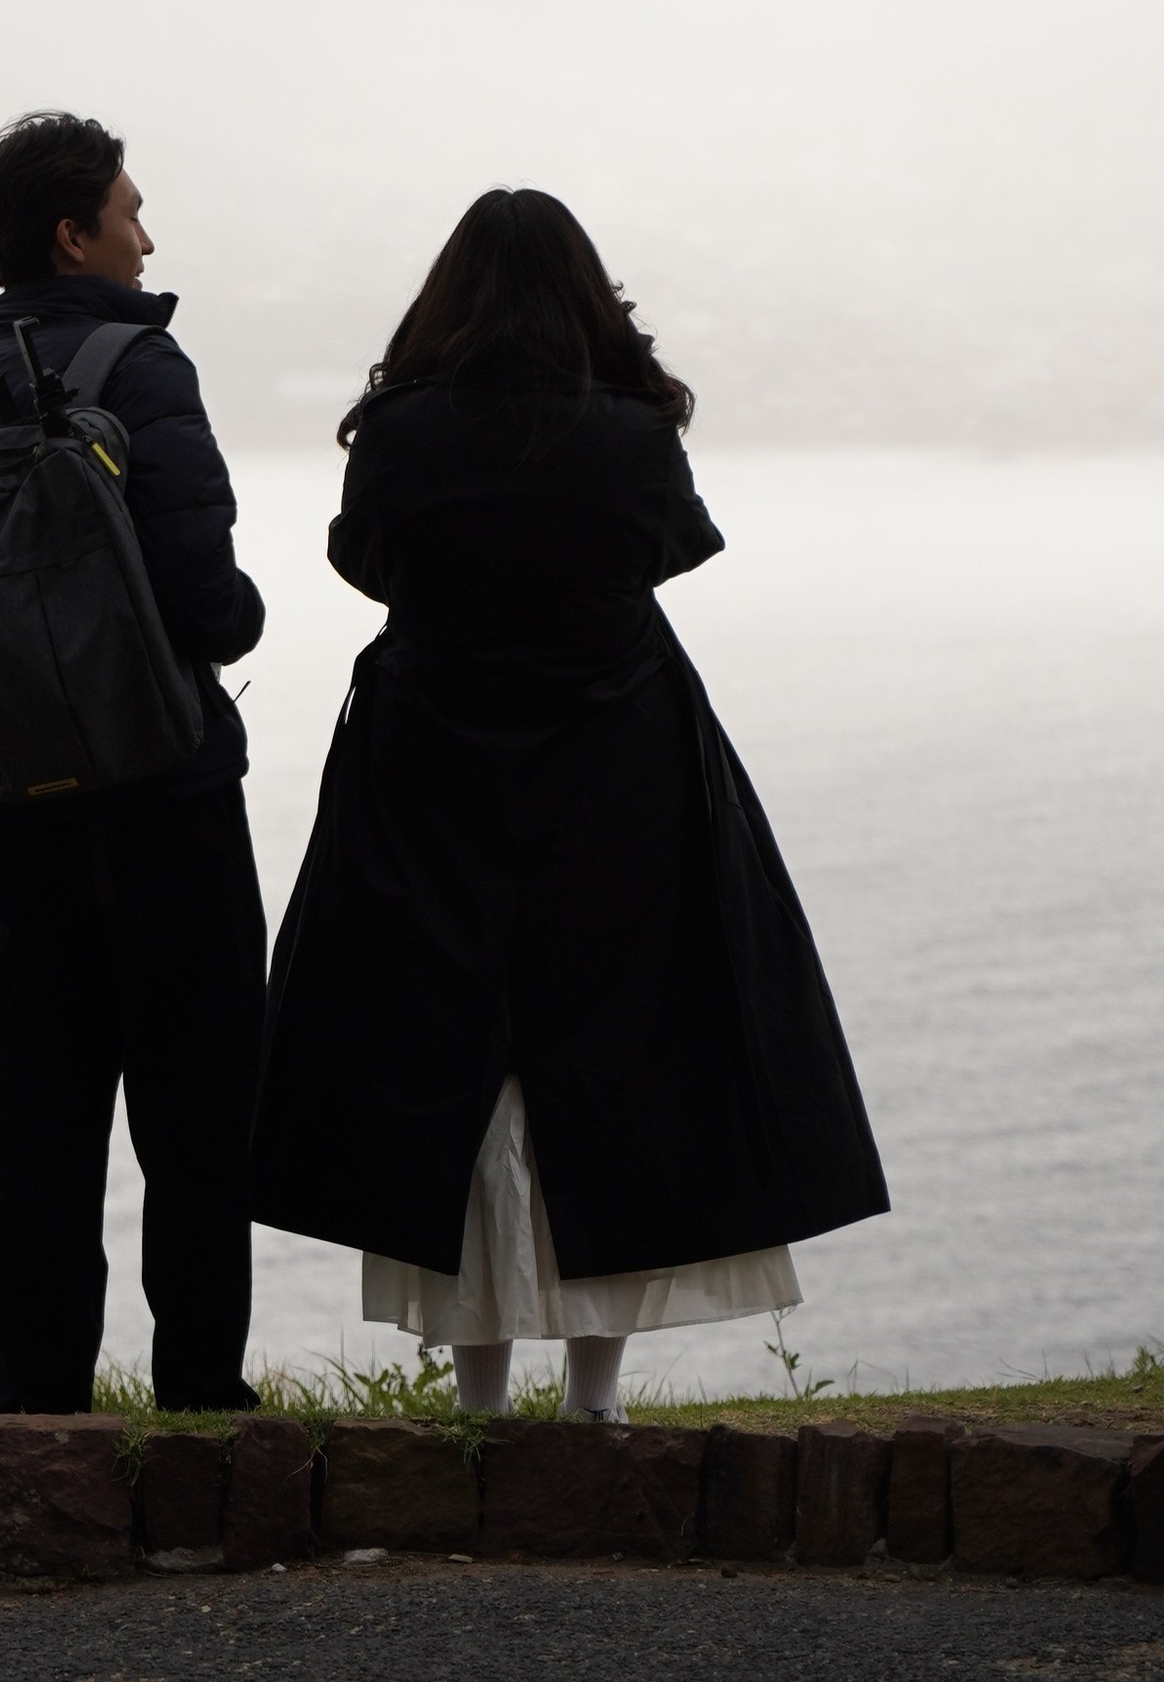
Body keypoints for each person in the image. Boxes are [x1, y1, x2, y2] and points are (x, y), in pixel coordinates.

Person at [251, 187, 887, 1419]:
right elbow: (677, 548)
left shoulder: (398, 432)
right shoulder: (632, 433)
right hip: (618, 767)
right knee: (620, 1057)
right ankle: (594, 1399)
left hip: (430, 766)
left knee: (452, 1063)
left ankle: (479, 1403)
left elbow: (361, 560)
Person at [0, 111, 267, 1414]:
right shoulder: (145, 371)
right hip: (168, 805)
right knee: (200, 1121)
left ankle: (35, 1416)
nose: (145, 234)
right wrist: (246, 619)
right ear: (75, 234)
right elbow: (208, 604)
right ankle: (202, 1410)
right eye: (129, 211)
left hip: (22, 831)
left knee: (39, 1136)